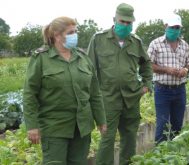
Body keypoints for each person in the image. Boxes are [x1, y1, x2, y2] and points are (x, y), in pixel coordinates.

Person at [23, 16, 107, 165]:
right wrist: (32, 126)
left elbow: (95, 93)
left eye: (75, 31)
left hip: (82, 127)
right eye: (70, 32)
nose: (75, 35)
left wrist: (101, 121)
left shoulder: (83, 58)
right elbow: (30, 94)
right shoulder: (41, 59)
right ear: (57, 35)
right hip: (55, 127)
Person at [87, 3, 153, 165]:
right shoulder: (99, 39)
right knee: (107, 138)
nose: (125, 25)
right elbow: (89, 68)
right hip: (108, 98)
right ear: (114, 19)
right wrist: (92, 95)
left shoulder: (136, 42)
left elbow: (146, 63)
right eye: (122, 21)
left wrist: (146, 84)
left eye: (128, 22)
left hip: (131, 97)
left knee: (130, 136)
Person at [148, 14, 189, 144]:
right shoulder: (155, 44)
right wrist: (167, 70)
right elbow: (149, 65)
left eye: (177, 27)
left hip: (180, 89)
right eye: (172, 27)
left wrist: (185, 70)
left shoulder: (184, 45)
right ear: (165, 26)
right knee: (162, 123)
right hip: (163, 90)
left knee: (177, 123)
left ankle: (175, 152)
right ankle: (160, 154)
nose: (175, 30)